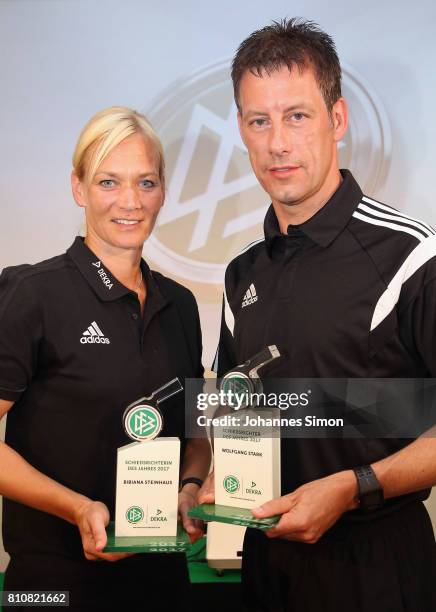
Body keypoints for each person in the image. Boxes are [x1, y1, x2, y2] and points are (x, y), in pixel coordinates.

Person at [198, 18, 436, 612]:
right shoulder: (242, 272)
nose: (278, 143)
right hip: (263, 566)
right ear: (242, 131)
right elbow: (232, 407)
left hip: (375, 569)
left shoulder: (411, 256)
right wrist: (203, 481)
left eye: (297, 116)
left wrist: (354, 488)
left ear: (337, 119)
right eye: (260, 121)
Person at [0, 106, 210, 610]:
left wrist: (190, 485)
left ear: (162, 191)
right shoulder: (31, 294)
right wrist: (75, 507)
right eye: (109, 182)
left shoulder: (180, 304)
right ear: (79, 188)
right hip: (53, 581)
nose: (130, 202)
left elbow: (195, 430)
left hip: (161, 576)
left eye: (146, 182)